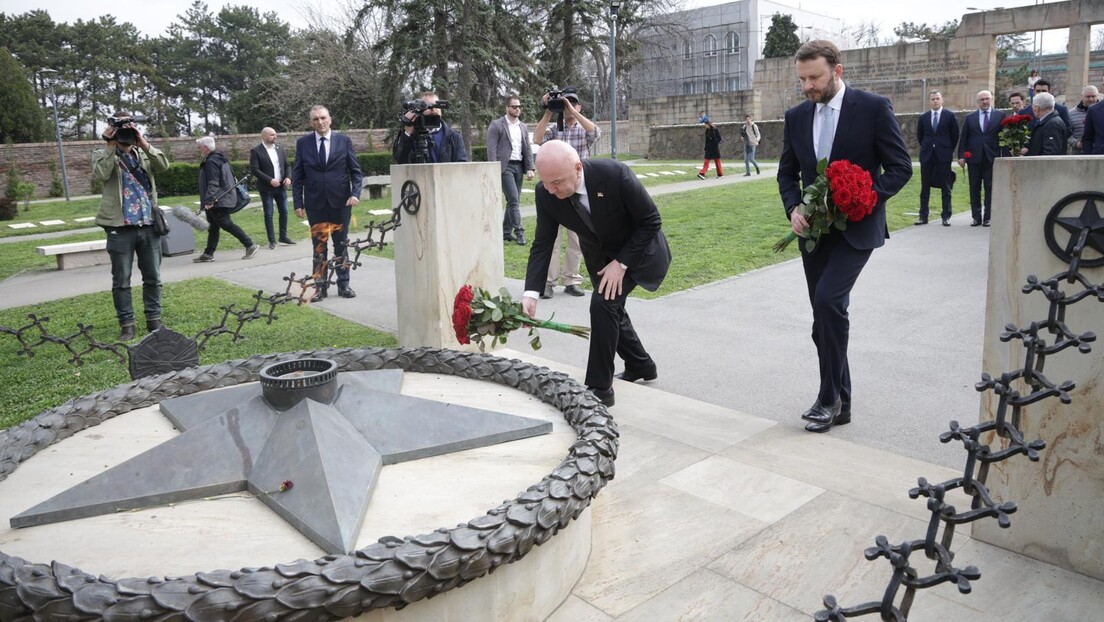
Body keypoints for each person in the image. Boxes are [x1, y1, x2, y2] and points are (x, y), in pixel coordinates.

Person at [777, 40, 912, 433]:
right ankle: (843, 403)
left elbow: (900, 167)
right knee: (824, 321)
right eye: (802, 79)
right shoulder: (796, 116)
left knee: (828, 302)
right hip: (814, 234)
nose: (808, 86)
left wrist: (865, 198)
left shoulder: (872, 107)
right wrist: (793, 208)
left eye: (814, 77)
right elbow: (788, 173)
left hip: (858, 228)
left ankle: (827, 398)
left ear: (838, 70)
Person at [522, 140, 672, 408]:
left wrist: (621, 263)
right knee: (612, 309)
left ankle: (600, 388)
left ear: (578, 168)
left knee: (603, 305)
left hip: (638, 252)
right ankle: (641, 365)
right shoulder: (546, 193)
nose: (551, 190)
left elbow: (651, 221)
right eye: (546, 182)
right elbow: (543, 243)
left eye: (557, 182)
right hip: (600, 259)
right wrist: (530, 294)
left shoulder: (614, 175)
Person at [92, 112, 170, 341]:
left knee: (153, 276)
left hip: (148, 224)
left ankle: (154, 320)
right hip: (120, 226)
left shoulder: (143, 153)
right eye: (121, 128)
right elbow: (100, 174)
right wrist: (110, 146)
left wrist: (143, 143)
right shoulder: (102, 153)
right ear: (111, 128)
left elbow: (164, 166)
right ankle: (127, 324)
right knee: (121, 279)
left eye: (129, 127)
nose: (125, 133)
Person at [533, 88, 601, 300]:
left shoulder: (583, 128)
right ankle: (548, 282)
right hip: (556, 188)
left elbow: (596, 132)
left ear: (579, 105)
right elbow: (536, 139)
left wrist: (573, 111)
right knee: (552, 238)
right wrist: (548, 111)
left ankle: (572, 279)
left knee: (577, 238)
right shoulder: (555, 128)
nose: (568, 105)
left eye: (572, 102)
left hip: (578, 187)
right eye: (565, 102)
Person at [293, 104, 364, 301]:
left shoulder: (344, 141)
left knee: (341, 245)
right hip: (316, 204)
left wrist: (355, 193)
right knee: (319, 247)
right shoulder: (303, 144)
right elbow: (297, 175)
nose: (320, 122)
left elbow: (356, 172)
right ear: (311, 122)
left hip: (341, 203)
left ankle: (344, 284)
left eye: (323, 118)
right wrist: (298, 203)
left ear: (330, 119)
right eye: (316, 119)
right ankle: (320, 287)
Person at [194, 136, 259, 264]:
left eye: (200, 147)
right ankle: (208, 253)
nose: (198, 149)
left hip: (218, 199)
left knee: (226, 224)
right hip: (221, 197)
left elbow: (213, 182)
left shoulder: (211, 161)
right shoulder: (220, 157)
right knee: (213, 227)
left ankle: (250, 245)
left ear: (206, 148)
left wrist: (209, 200)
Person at [486, 94, 535, 246]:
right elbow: (491, 148)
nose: (517, 109)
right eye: (514, 106)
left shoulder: (523, 126)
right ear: (507, 108)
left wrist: (530, 167)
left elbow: (526, 147)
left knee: (513, 201)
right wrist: (494, 167)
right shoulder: (497, 125)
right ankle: (519, 232)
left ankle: (506, 232)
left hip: (519, 166)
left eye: (519, 106)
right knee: (513, 199)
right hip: (504, 167)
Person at [958, 90, 1005, 227]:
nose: (985, 102)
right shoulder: (970, 118)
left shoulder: (1000, 115)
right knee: (974, 188)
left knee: (990, 188)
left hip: (991, 158)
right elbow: (964, 138)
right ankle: (976, 217)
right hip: (974, 158)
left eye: (987, 99)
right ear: (977, 102)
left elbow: (1003, 137)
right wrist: (961, 156)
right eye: (982, 99)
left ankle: (988, 218)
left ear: (991, 99)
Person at [915, 90, 959, 227]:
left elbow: (955, 136)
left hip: (943, 155)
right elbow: (920, 135)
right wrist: (929, 146)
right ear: (929, 101)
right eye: (933, 99)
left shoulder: (950, 116)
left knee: (945, 186)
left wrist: (946, 149)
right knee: (925, 187)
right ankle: (923, 216)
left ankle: (946, 216)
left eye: (937, 98)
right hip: (927, 155)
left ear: (942, 100)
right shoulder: (924, 117)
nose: (935, 101)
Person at [249, 127, 296, 249]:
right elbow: (254, 169)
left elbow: (287, 165)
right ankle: (272, 240)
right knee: (269, 214)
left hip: (281, 186)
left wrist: (288, 178)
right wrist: (269, 180)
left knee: (284, 212)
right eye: (272, 135)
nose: (275, 137)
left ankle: (283, 237)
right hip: (266, 188)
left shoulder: (279, 149)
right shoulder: (256, 151)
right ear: (264, 136)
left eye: (275, 134)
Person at [392, 92, 468, 164]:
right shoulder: (413, 135)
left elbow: (461, 164)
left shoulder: (454, 136)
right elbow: (401, 161)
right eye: (427, 106)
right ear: (419, 110)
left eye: (436, 105)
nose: (433, 109)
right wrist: (407, 133)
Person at [1068, 85, 1099, 154]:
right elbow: (1067, 134)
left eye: (1093, 96)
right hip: (1079, 154)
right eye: (1088, 96)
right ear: (1081, 97)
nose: (1091, 99)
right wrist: (1076, 143)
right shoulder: (1071, 114)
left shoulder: (1101, 112)